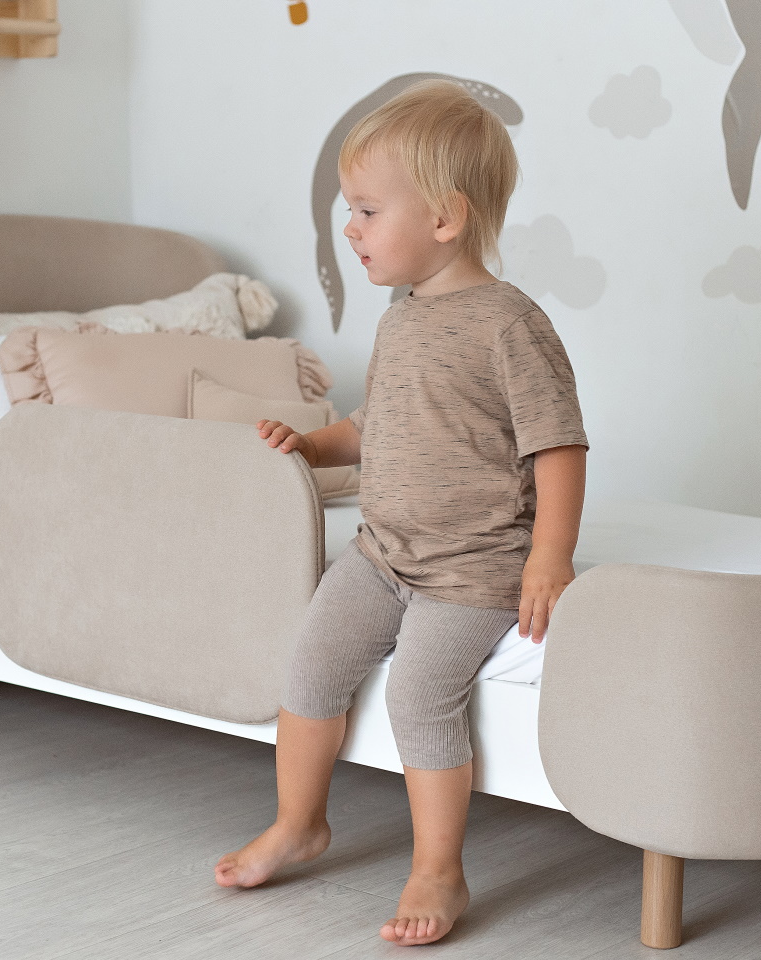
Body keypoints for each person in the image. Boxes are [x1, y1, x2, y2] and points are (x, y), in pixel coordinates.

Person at [214, 79, 589, 947]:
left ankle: (439, 870)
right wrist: (312, 446)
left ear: (445, 218)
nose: (350, 228)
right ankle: (299, 823)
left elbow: (559, 445)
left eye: (367, 210)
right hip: (381, 554)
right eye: (350, 210)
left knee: (421, 694)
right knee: (310, 666)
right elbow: (373, 426)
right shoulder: (399, 321)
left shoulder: (509, 325)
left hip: (472, 569)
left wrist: (550, 556)